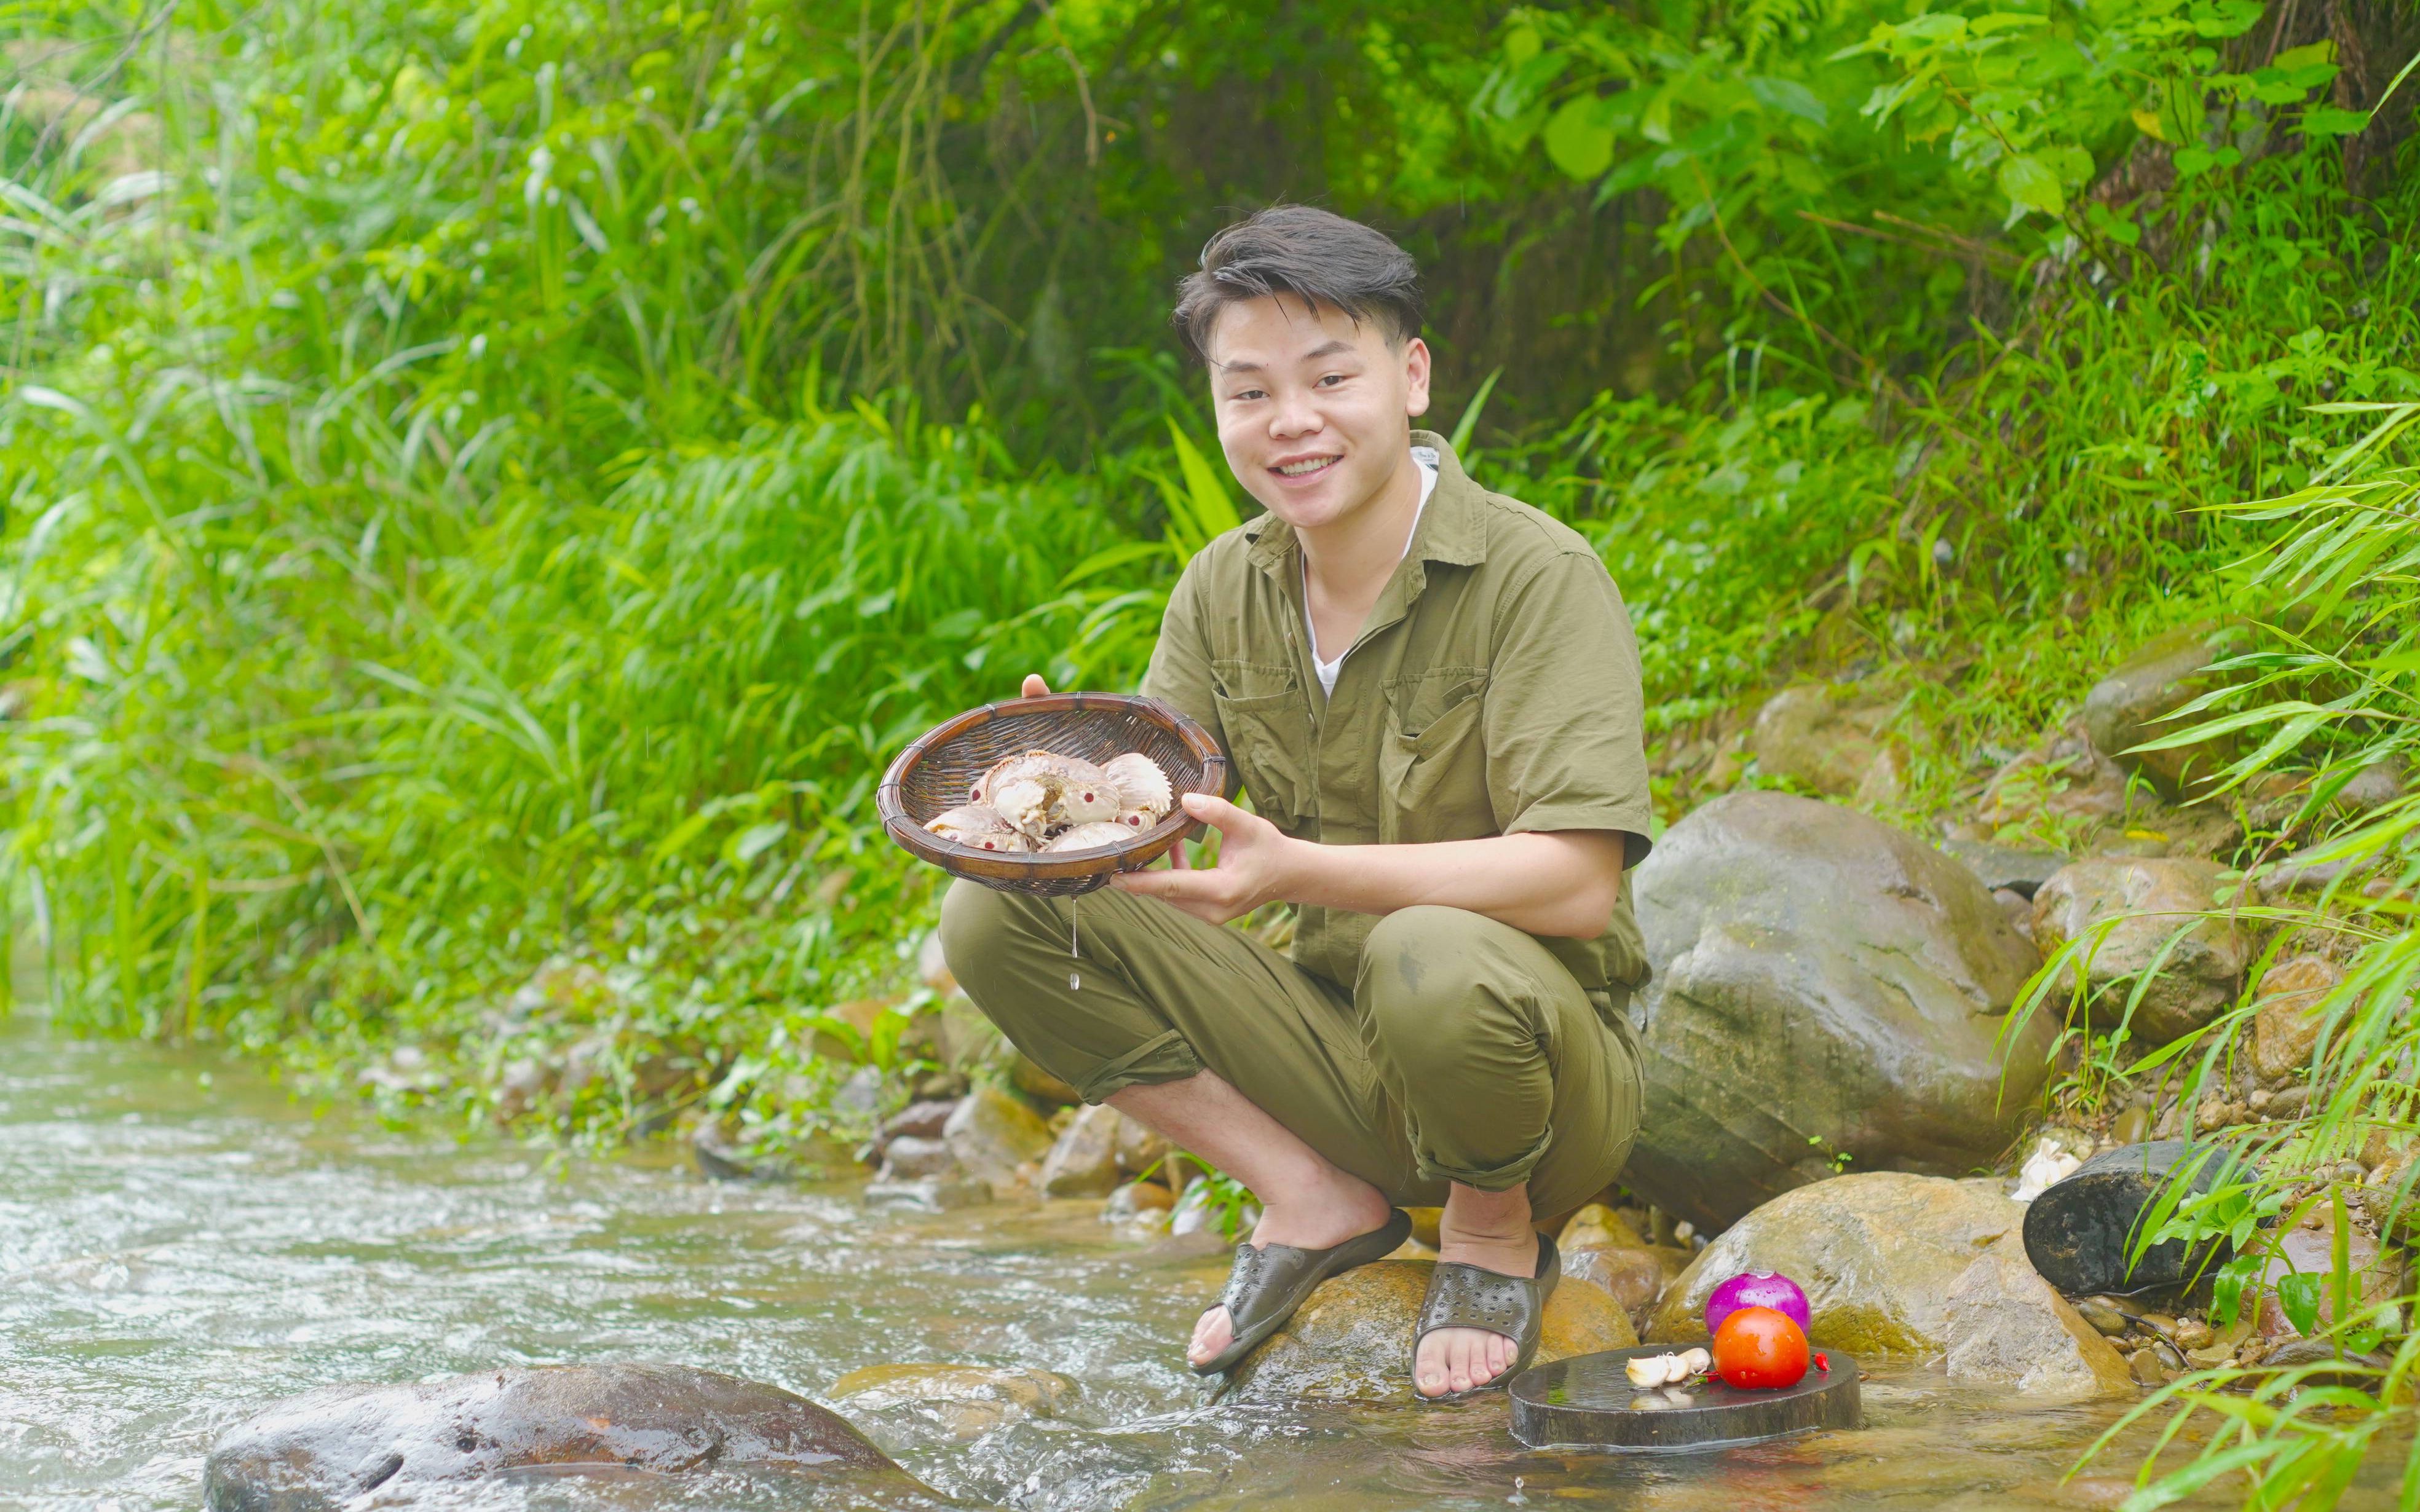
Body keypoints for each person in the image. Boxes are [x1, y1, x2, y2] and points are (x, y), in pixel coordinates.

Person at [941, 205, 1653, 1401]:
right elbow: (1154, 835)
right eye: (1250, 391)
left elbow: (1578, 884)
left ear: (1412, 376)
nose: (1292, 423)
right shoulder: (1222, 589)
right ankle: (1311, 1194)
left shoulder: (1538, 575)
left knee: (1428, 953)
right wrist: (1048, 805)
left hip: (1536, 1078)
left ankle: (1489, 1230)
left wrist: (1296, 874)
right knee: (987, 919)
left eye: (1331, 377)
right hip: (1334, 1058)